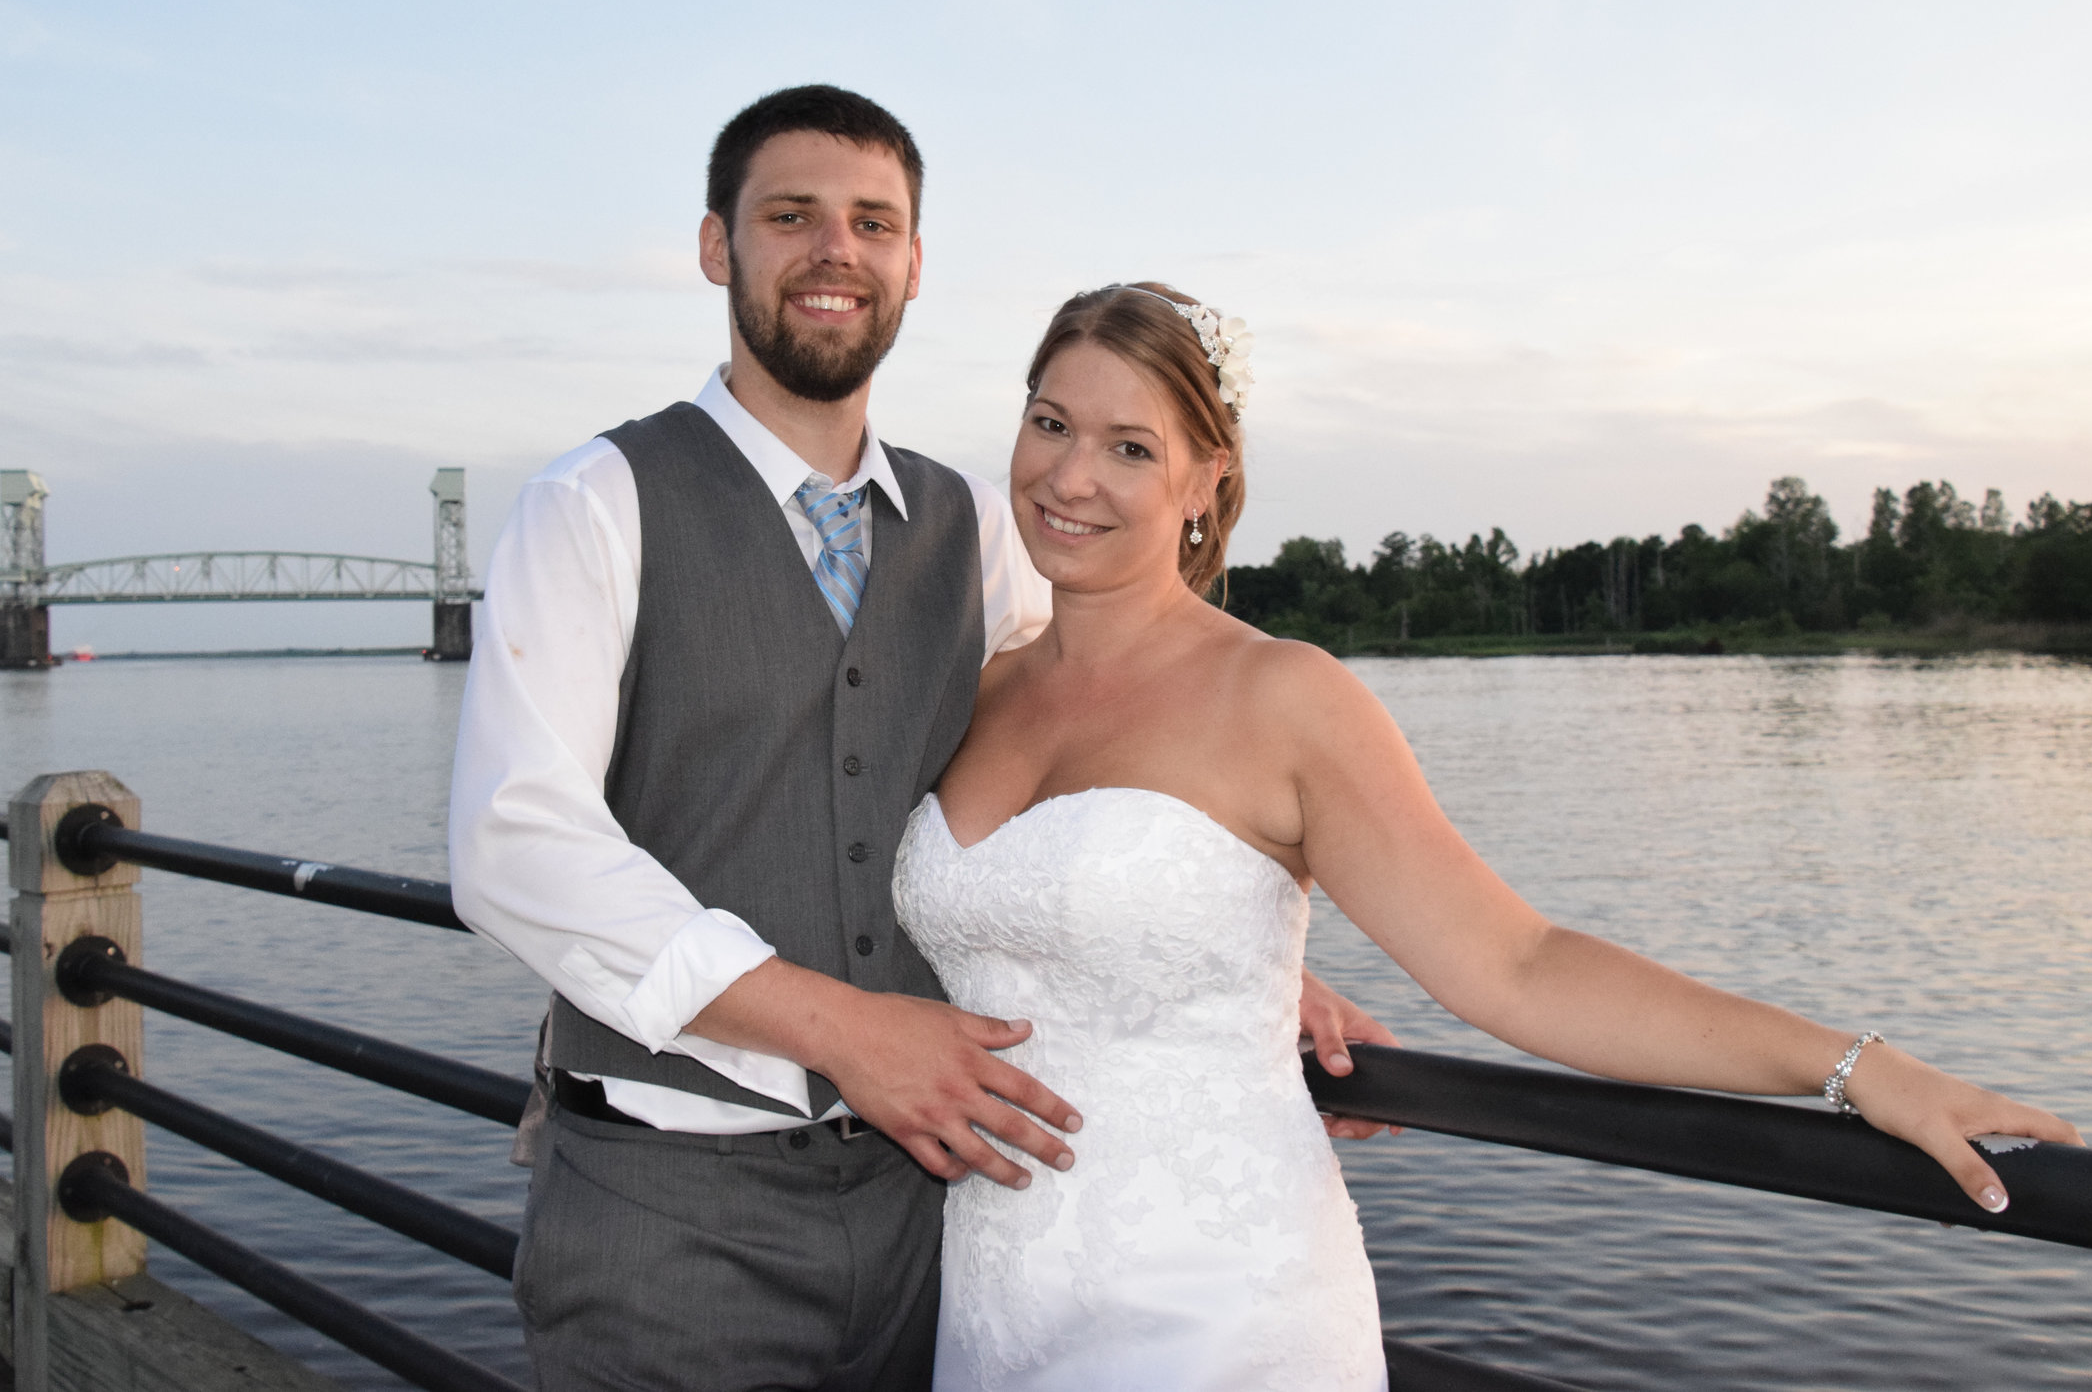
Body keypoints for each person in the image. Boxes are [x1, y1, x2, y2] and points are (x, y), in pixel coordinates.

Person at [893, 282, 2085, 1392]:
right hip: (993, 1299)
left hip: (1207, 1305)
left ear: (1206, 478)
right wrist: (1253, 968)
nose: (1069, 475)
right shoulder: (976, 685)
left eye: (1130, 446)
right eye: (1050, 423)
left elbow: (1514, 962)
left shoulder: (1281, 696)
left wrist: (1856, 1067)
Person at [447, 89, 1389, 1392]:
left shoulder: (976, 525)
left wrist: (1217, 957)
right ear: (719, 245)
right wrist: (841, 1026)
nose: (836, 250)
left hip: (926, 1213)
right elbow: (515, 842)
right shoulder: (595, 502)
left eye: (872, 223)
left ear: (913, 265)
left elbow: (1081, 765)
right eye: (792, 216)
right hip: (670, 1211)